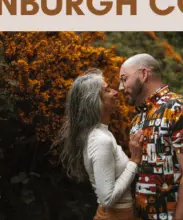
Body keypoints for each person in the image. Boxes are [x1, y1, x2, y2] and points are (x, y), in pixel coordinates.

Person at [119, 54, 183, 220]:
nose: (121, 87)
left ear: (143, 74)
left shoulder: (182, 109)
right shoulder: (138, 118)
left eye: (124, 79)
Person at [55, 68, 144, 220]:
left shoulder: (102, 133)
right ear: (94, 102)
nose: (116, 92)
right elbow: (107, 199)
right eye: (107, 90)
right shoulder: (100, 140)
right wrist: (134, 161)